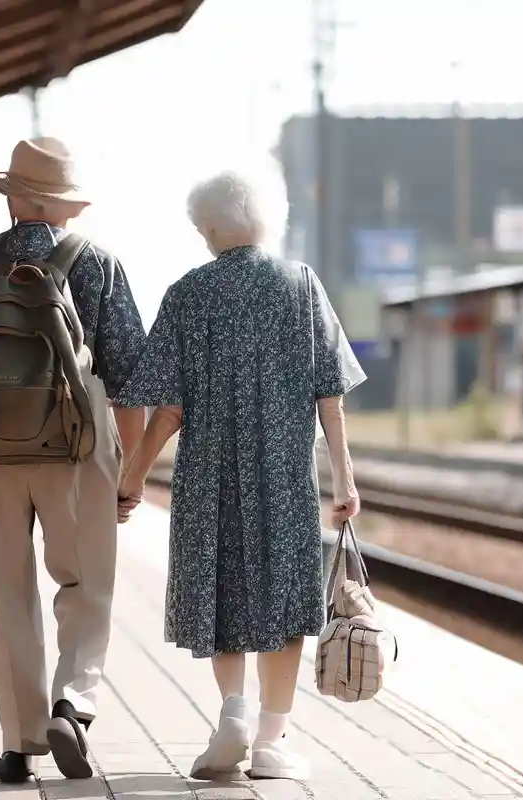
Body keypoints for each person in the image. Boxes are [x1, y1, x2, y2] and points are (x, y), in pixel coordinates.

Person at [115, 168, 366, 781]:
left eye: (201, 227)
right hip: (284, 478)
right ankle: (271, 743)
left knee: (221, 593)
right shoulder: (301, 285)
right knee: (284, 601)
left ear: (212, 227)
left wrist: (132, 477)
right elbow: (329, 395)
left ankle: (232, 713)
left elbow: (166, 410)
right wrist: (346, 481)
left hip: (208, 476)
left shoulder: (186, 293)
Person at [0, 137, 147, 784]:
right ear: (65, 209)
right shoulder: (98, 264)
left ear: (13, 200)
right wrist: (127, 469)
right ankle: (72, 706)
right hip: (79, 453)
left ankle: (20, 744)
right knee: (85, 585)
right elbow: (129, 378)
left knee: (8, 594)